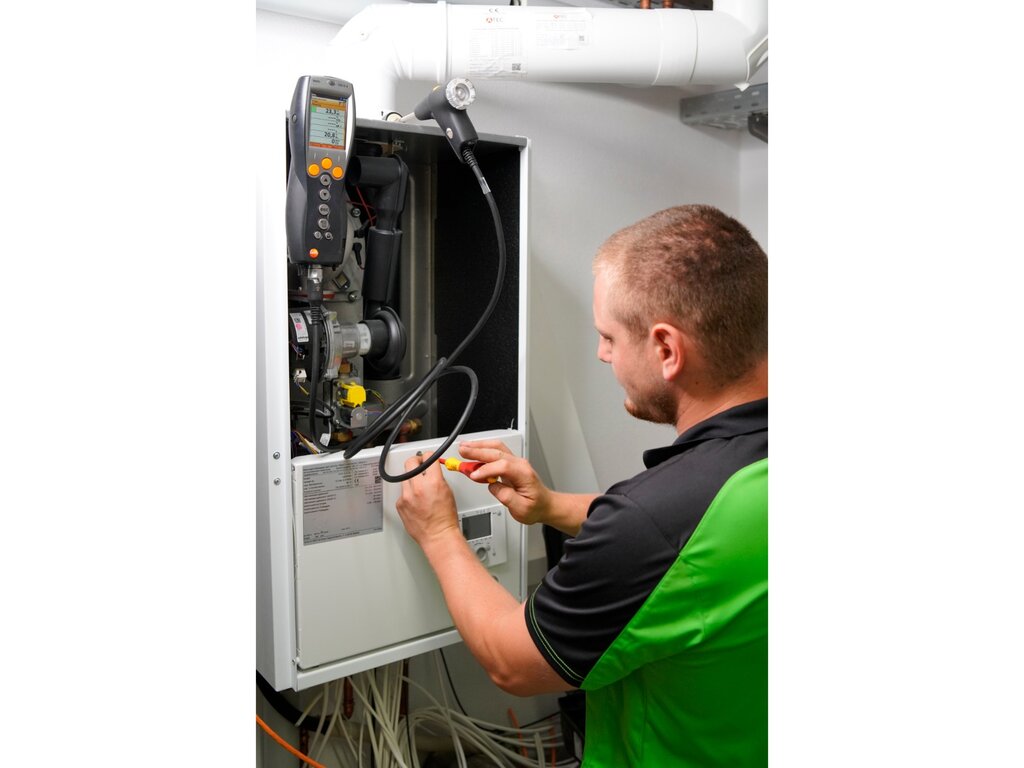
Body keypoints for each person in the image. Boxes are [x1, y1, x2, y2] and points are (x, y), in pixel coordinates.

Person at [396, 204, 768, 766]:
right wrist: (550, 506)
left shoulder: (651, 522)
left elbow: (511, 663)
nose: (602, 353)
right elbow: (697, 539)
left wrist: (440, 534)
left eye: (609, 336)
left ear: (666, 350)